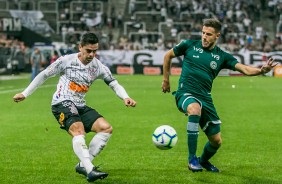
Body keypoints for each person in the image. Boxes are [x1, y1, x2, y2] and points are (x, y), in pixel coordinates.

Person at [13, 32, 137, 182]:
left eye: (95, 51)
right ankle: (90, 170)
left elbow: (114, 84)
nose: (92, 54)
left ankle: (83, 164)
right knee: (79, 130)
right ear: (80, 47)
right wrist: (25, 93)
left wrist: (125, 97)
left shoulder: (99, 67)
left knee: (105, 128)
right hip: (62, 102)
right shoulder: (66, 61)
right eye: (88, 51)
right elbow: (44, 74)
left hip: (79, 105)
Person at [162, 18, 277, 173]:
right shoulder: (188, 45)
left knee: (216, 141)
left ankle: (203, 161)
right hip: (185, 93)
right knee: (194, 109)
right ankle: (192, 159)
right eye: (203, 33)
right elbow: (167, 56)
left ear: (217, 36)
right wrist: (166, 81)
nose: (204, 36)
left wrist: (261, 71)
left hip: (205, 98)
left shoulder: (222, 56)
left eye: (208, 34)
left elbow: (244, 69)